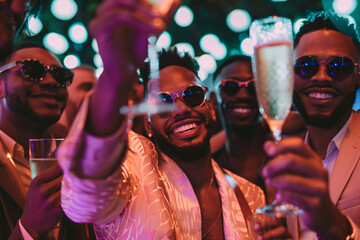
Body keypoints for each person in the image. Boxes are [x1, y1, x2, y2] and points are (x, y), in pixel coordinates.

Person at [58, 1, 268, 239]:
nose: (180, 109)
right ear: (148, 124)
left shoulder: (253, 196)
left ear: (210, 107)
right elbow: (82, 202)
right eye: (162, 103)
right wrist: (116, 75)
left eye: (192, 95)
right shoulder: (134, 168)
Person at [261, 11, 360, 239]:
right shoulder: (288, 157)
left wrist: (334, 226)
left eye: (340, 66)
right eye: (306, 66)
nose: (321, 77)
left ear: (358, 75)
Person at [0, 43, 94, 239]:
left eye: (61, 76)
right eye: (33, 70)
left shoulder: (78, 154)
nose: (51, 82)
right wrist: (28, 229)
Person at [212, 55, 306, 199]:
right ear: (213, 98)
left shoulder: (289, 155)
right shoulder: (209, 166)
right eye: (230, 86)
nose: (243, 95)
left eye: (254, 87)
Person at [51, 64, 97, 136]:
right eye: (86, 87)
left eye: (97, 89)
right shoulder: (51, 137)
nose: (93, 94)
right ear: (64, 92)